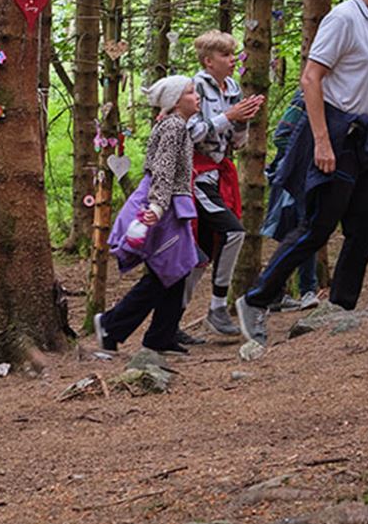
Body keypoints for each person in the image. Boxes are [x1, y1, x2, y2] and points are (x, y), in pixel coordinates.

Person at [234, 0, 368, 358]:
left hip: (365, 136)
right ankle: (256, 299)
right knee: (317, 226)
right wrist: (322, 141)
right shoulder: (343, 18)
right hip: (332, 132)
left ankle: (341, 310)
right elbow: (311, 79)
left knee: (364, 229)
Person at [93, 75, 204, 356]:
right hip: (162, 206)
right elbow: (163, 169)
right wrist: (156, 207)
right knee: (163, 270)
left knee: (178, 268)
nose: (197, 96)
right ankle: (110, 325)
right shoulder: (174, 127)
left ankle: (160, 336)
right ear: (176, 102)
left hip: (171, 204)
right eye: (191, 92)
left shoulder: (177, 125)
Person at [183, 31, 265, 341]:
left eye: (234, 54)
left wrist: (243, 120)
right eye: (226, 56)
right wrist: (227, 116)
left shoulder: (231, 87)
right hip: (195, 176)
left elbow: (237, 142)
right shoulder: (194, 89)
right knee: (232, 232)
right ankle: (217, 307)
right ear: (208, 61)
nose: (234, 60)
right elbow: (192, 133)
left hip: (218, 174)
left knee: (203, 252)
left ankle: (171, 322)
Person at [260, 89, 321, 311]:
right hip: (292, 177)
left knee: (301, 231)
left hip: (309, 175)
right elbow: (282, 135)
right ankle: (302, 291)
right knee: (300, 231)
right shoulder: (305, 96)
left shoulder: (336, 94)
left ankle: (279, 292)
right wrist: (307, 156)